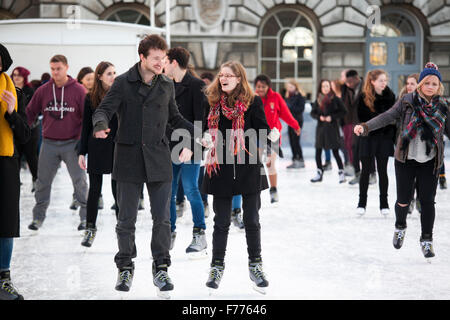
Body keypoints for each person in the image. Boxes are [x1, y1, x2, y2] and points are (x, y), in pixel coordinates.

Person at [92, 34, 199, 298]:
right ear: (142, 57)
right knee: (125, 219)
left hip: (159, 158)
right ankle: (125, 265)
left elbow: (174, 118)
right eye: (156, 59)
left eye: (163, 59)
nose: (161, 63)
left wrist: (197, 134)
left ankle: (161, 266)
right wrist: (101, 125)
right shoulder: (122, 83)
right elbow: (103, 110)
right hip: (128, 158)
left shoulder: (166, 84)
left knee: (162, 218)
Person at [354, 63, 450, 260]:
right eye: (427, 83)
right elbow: (387, 116)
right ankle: (400, 226)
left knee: (427, 202)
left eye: (435, 83)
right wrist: (366, 127)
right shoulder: (407, 101)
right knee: (403, 200)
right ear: (421, 84)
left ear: (438, 86)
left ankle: (426, 240)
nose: (431, 86)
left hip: (430, 161)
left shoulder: (442, 106)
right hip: (405, 159)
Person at [202, 61, 279, 294]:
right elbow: (208, 129)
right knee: (221, 222)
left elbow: (262, 128)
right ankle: (216, 266)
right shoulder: (214, 102)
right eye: (221, 75)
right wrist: (205, 137)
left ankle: (256, 265)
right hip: (221, 169)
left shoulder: (253, 102)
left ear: (239, 79)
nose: (223, 78)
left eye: (228, 75)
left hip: (248, 167)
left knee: (252, 220)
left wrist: (270, 138)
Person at [26, 54, 88, 231]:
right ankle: (38, 218)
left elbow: (87, 118)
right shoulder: (44, 90)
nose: (55, 72)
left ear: (67, 68)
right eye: (52, 69)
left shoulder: (78, 90)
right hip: (49, 143)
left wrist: (84, 143)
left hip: (72, 143)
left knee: (80, 182)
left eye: (58, 69)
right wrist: (20, 130)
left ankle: (85, 218)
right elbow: (30, 113)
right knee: (42, 182)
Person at [163, 47, 207, 257]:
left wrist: (191, 146)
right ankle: (169, 231)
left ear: (173, 62)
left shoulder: (197, 86)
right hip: (169, 145)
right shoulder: (165, 84)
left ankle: (200, 233)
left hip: (191, 145)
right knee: (168, 192)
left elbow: (201, 121)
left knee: (190, 188)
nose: (162, 64)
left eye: (165, 60)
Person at [0, 44, 31, 300]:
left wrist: (11, 113)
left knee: (6, 224)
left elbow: (25, 135)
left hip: (6, 165)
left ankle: (4, 280)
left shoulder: (15, 93)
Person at [78, 61, 118, 248]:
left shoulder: (120, 95)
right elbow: (86, 127)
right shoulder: (90, 98)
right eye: (109, 73)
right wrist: (81, 152)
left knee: (119, 190)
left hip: (117, 148)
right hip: (96, 147)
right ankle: (90, 228)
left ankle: (122, 229)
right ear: (99, 76)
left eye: (114, 73)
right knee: (94, 190)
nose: (113, 76)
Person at [354, 69, 396, 216]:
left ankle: (384, 204)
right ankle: (361, 203)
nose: (384, 83)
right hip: (367, 138)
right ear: (372, 81)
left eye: (385, 80)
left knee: (383, 171)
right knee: (365, 171)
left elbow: (392, 119)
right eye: (381, 80)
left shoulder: (390, 96)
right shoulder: (363, 97)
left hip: (383, 139)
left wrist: (389, 134)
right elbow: (361, 118)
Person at [254, 74, 300, 203]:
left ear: (268, 87)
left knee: (270, 164)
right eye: (258, 87)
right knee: (257, 164)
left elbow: (285, 113)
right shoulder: (253, 98)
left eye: (263, 87)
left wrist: (295, 125)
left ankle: (273, 189)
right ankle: (256, 190)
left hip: (272, 135)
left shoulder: (276, 97)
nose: (261, 89)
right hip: (257, 135)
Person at [310, 80, 347, 183]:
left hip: (332, 129)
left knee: (335, 151)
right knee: (318, 151)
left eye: (327, 86)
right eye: (323, 86)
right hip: (321, 130)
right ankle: (319, 173)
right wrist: (319, 117)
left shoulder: (335, 99)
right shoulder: (318, 100)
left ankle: (341, 173)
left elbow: (344, 111)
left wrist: (332, 117)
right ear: (320, 88)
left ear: (330, 87)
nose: (326, 88)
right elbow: (312, 113)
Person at [10, 66, 39, 191]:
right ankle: (15, 180)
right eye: (14, 75)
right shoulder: (10, 89)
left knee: (31, 156)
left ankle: (35, 180)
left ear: (24, 77)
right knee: (15, 156)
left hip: (30, 129)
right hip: (15, 128)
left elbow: (33, 111)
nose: (16, 77)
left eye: (19, 75)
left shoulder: (30, 91)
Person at [284, 78, 306, 169]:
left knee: (296, 140)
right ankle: (294, 159)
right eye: (288, 87)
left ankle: (300, 159)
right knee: (292, 140)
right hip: (290, 121)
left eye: (291, 86)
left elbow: (300, 109)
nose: (289, 88)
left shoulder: (300, 96)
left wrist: (290, 107)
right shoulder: (288, 96)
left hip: (297, 121)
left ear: (295, 86)